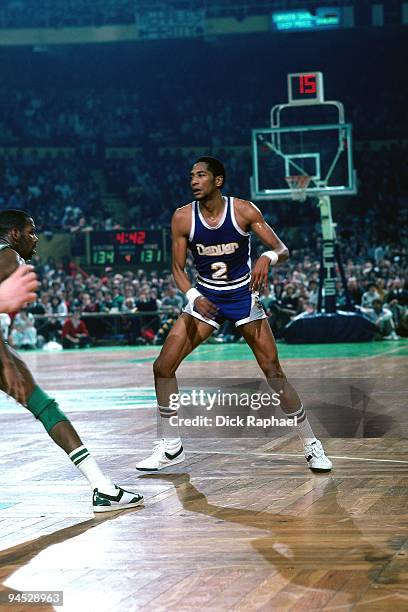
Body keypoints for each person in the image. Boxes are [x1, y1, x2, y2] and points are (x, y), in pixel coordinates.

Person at [136, 157, 332, 472]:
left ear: (218, 181)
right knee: (163, 366)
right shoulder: (182, 218)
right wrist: (193, 296)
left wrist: (267, 256)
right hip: (206, 298)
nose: (194, 181)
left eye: (201, 175)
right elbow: (177, 268)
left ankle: (312, 445)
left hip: (243, 296)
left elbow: (282, 249)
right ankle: (171, 448)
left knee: (273, 372)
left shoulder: (243, 210)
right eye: (191, 176)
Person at [0, 209, 143, 512]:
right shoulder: (8, 258)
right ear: (14, 234)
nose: (36, 238)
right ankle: (102, 488)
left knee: (44, 405)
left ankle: (103, 487)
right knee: (44, 407)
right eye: (31, 231)